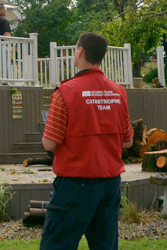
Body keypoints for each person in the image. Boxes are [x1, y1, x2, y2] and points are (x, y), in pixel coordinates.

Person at [40, 32, 133, 250]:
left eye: (75, 49)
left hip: (74, 185)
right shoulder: (119, 92)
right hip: (109, 185)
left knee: (56, 245)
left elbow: (49, 143)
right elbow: (128, 142)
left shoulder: (65, 92)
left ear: (80, 51)